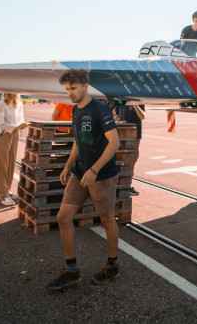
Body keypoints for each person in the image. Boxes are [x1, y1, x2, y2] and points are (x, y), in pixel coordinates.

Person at [47, 68, 122, 292]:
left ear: (85, 86)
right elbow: (79, 141)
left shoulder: (100, 109)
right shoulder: (75, 111)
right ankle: (72, 271)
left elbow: (114, 142)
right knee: (63, 217)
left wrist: (95, 170)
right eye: (67, 89)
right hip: (80, 173)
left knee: (107, 219)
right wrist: (68, 165)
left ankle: (113, 265)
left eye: (74, 88)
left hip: (102, 175)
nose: (70, 92)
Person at [0, 93, 28, 206]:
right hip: (3, 135)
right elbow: (0, 123)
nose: (15, 93)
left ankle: (7, 190)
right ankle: (3, 195)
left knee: (10, 164)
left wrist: (22, 125)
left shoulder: (19, 104)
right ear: (7, 92)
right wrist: (16, 127)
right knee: (2, 165)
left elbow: (21, 118)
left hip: (15, 134)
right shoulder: (2, 104)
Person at [115, 101, 145, 196]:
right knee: (120, 160)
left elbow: (142, 116)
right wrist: (117, 121)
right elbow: (115, 116)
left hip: (135, 135)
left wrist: (135, 105)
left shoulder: (139, 100)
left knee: (132, 160)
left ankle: (127, 186)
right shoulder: (120, 101)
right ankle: (119, 185)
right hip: (122, 133)